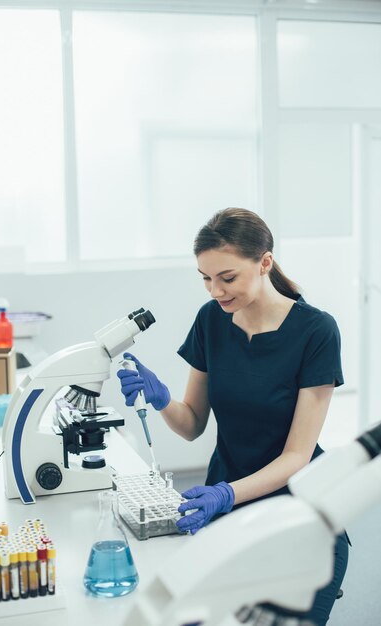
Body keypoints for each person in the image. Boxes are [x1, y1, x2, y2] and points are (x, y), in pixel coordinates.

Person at [117, 207, 349, 626]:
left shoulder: (316, 331)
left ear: (265, 262)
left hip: (297, 519)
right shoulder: (211, 321)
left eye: (227, 278)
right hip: (229, 518)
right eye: (205, 279)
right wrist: (162, 398)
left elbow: (296, 457)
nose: (215, 291)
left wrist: (226, 494)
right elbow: (191, 424)